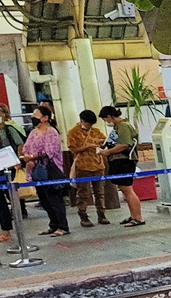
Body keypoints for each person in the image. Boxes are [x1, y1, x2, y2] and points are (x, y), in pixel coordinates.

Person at [20, 102, 68, 236]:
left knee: (54, 199)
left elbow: (50, 151)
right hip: (36, 170)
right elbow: (26, 148)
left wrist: (33, 157)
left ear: (45, 117)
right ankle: (53, 224)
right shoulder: (33, 132)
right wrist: (26, 158)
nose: (34, 118)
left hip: (50, 169)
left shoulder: (51, 131)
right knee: (44, 200)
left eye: (37, 115)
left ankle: (62, 226)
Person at [98, 105, 144, 226]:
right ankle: (133, 215)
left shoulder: (124, 126)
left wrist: (108, 152)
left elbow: (124, 145)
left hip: (124, 161)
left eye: (105, 119)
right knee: (124, 189)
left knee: (128, 189)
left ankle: (138, 217)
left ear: (109, 116)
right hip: (117, 161)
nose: (106, 122)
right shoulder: (117, 127)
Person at [66, 109, 110, 227]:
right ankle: (83, 215)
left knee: (99, 192)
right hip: (82, 166)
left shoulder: (96, 131)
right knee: (83, 193)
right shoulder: (73, 132)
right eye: (88, 124)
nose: (90, 126)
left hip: (98, 164)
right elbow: (73, 150)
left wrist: (100, 143)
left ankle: (102, 214)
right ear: (82, 121)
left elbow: (104, 140)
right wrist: (87, 146)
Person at [0, 103, 27, 240]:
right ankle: (6, 229)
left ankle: (14, 229)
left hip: (9, 167)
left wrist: (18, 161)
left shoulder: (9, 128)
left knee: (13, 197)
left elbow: (20, 144)